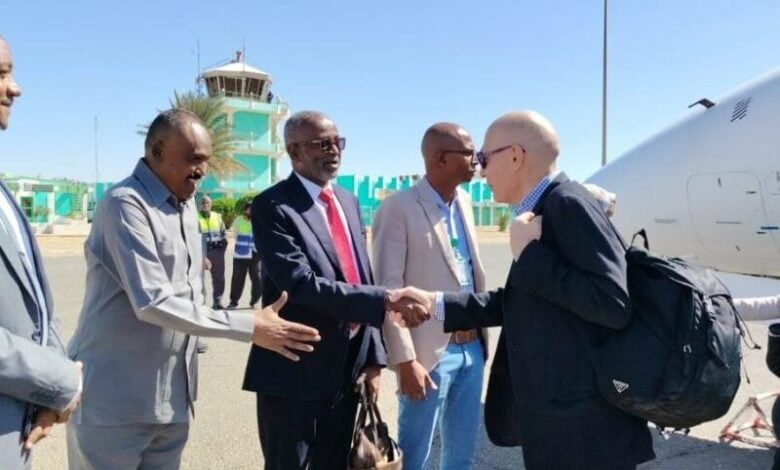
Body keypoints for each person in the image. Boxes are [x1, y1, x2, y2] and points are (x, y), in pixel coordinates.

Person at [394, 111, 655, 469]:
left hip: (583, 433)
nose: (481, 171)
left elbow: (612, 303)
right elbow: (523, 301)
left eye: (484, 158)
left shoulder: (566, 203)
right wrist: (435, 302)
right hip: (564, 425)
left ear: (515, 156)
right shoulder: (545, 210)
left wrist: (530, 255)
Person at [66, 109, 321, 470]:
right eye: (193, 159)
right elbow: (153, 301)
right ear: (157, 151)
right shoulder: (126, 204)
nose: (202, 170)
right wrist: (248, 325)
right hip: (114, 403)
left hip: (170, 401)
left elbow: (189, 291)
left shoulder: (186, 207)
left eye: (206, 160)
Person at [242, 110, 425, 469]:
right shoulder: (272, 206)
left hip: (347, 372)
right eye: (322, 144)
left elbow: (362, 277)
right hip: (295, 371)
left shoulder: (348, 201)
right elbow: (301, 284)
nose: (334, 150)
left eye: (337, 142)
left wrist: (372, 358)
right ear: (294, 151)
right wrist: (386, 300)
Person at [372, 122, 487, 470]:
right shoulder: (399, 208)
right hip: (427, 354)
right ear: (440, 158)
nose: (477, 159)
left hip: (472, 349)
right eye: (468, 153)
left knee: (461, 457)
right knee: (414, 456)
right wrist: (405, 360)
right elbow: (388, 290)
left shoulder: (464, 202)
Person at [0, 35, 83, 470]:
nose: (15, 88)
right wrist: (59, 379)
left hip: (16, 430)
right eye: (1, 74)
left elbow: (37, 304)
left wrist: (51, 388)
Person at [227, 202, 263, 309]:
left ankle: (254, 302)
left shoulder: (260, 220)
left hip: (255, 255)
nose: (251, 210)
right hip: (240, 254)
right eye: (249, 208)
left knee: (257, 279)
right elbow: (234, 235)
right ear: (245, 210)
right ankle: (233, 302)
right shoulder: (238, 220)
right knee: (237, 279)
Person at [198, 195, 228, 309]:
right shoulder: (195, 217)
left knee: (219, 278)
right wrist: (202, 256)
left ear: (211, 205)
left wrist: (221, 251)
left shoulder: (217, 217)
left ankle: (217, 302)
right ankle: (200, 303)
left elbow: (224, 234)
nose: (205, 205)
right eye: (203, 203)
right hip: (202, 252)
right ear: (200, 205)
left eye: (207, 203)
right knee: (199, 279)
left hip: (217, 252)